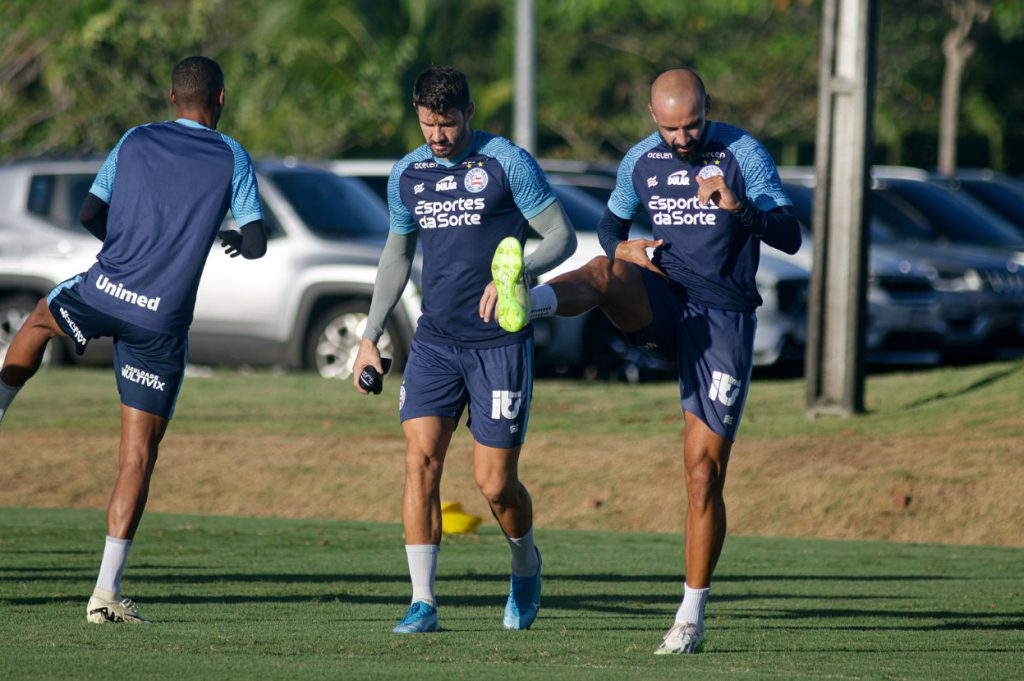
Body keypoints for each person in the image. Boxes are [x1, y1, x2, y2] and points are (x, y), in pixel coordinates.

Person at [522, 68, 801, 654]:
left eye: (692, 124)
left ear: (708, 108)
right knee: (602, 274)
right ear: (654, 118)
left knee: (703, 475)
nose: (682, 136)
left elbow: (790, 234)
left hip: (721, 319)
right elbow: (608, 225)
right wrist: (619, 247)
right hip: (661, 300)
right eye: (670, 127)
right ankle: (530, 301)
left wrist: (739, 205)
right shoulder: (640, 161)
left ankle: (690, 616)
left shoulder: (742, 153)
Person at [0, 56, 267, 623]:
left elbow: (90, 212)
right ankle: (104, 595)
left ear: (172, 96)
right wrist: (233, 242)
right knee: (137, 457)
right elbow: (258, 239)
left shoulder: (137, 137)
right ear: (221, 99)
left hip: (106, 289)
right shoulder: (233, 156)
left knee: (41, 320)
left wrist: (126, 243)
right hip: (160, 320)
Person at [352, 66, 575, 634]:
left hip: (500, 343)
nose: (437, 136)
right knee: (420, 460)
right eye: (427, 124)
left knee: (495, 483)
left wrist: (513, 272)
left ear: (468, 114)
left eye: (447, 124)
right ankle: (423, 602)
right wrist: (369, 337)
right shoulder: (408, 174)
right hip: (435, 342)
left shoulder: (506, 162)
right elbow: (396, 257)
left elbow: (560, 237)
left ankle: (525, 566)